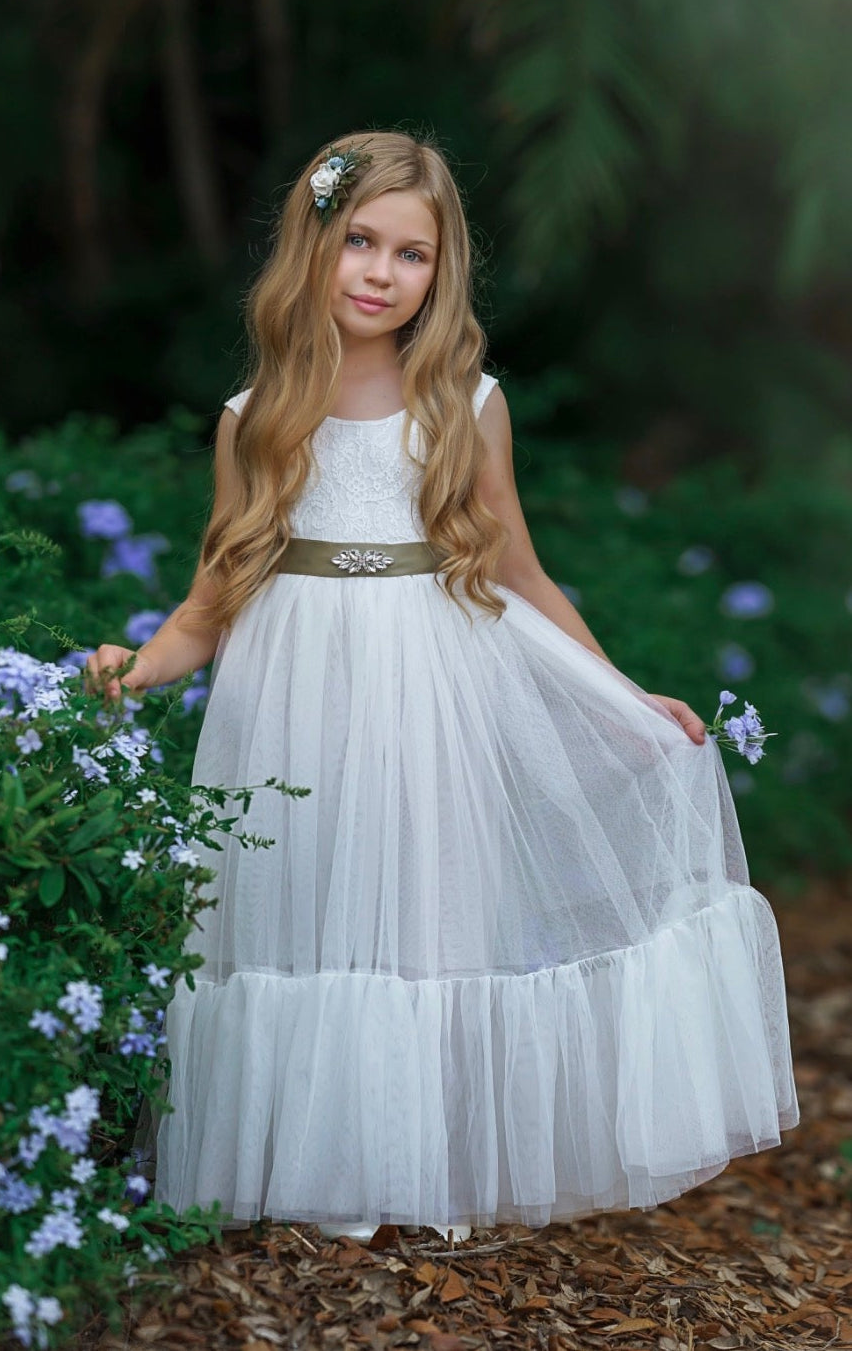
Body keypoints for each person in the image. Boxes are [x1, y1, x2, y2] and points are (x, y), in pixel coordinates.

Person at [87, 129, 799, 1248]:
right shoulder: (254, 417)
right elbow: (208, 605)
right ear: (312, 245)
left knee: (423, 914)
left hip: (426, 694)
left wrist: (620, 694)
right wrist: (137, 668)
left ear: (440, 273)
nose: (379, 272)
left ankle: (422, 1163)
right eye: (359, 241)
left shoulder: (463, 403)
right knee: (304, 912)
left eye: (410, 255)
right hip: (292, 704)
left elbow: (517, 570)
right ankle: (310, 1171)